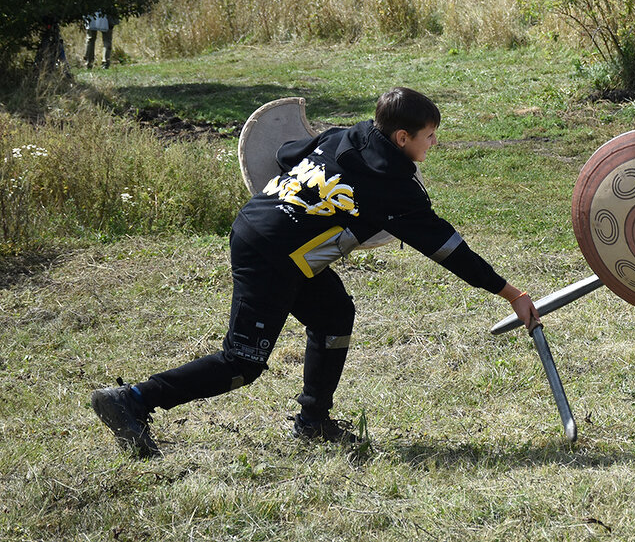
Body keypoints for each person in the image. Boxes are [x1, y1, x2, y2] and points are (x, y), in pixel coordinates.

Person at [91, 87, 540, 457]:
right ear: (402, 137)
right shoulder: (394, 190)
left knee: (333, 315)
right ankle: (131, 400)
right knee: (243, 363)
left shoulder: (347, 135)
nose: (434, 144)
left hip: (264, 229)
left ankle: (313, 420)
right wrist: (511, 293)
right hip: (270, 253)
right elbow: (451, 251)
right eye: (430, 135)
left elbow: (288, 154)